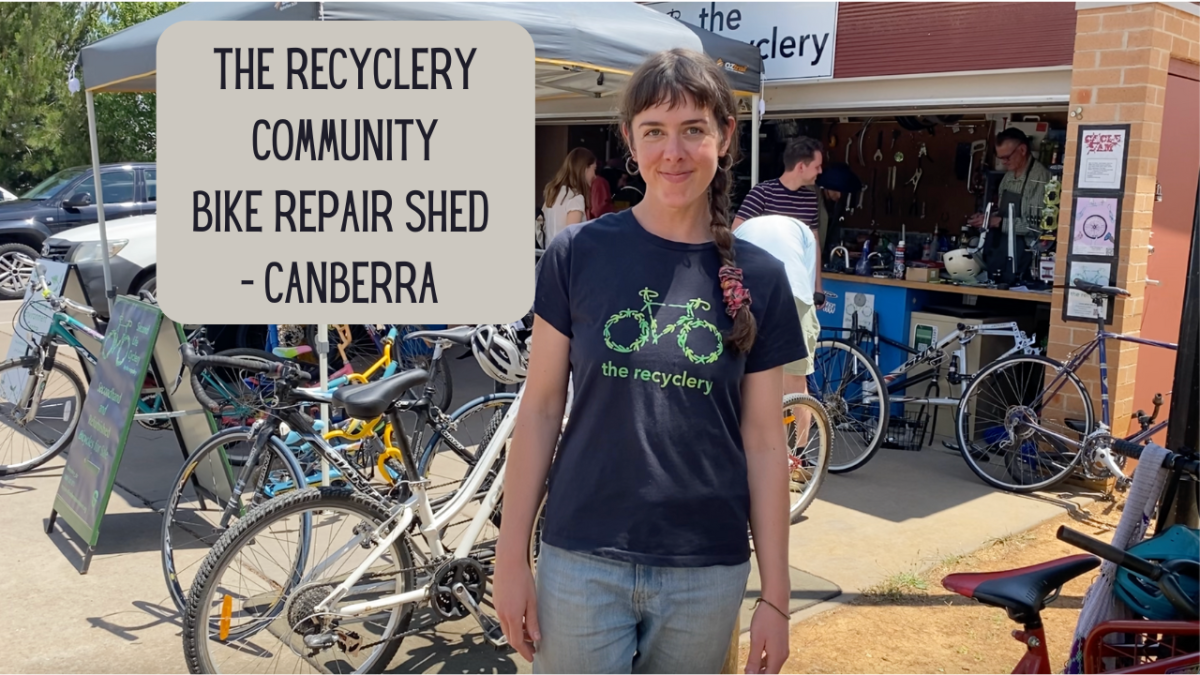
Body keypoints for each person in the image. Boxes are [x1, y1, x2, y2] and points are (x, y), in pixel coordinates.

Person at [494, 48, 803, 675]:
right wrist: (510, 557)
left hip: (706, 570)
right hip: (580, 558)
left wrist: (776, 595)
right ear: (630, 143)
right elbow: (541, 408)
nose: (674, 152)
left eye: (694, 129)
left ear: (724, 136)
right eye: (655, 131)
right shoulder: (576, 254)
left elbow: (767, 443)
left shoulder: (762, 279)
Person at [967, 127, 1052, 250]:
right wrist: (986, 218)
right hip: (1005, 246)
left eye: (1007, 157)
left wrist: (997, 222)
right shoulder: (1008, 176)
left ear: (1022, 150)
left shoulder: (1040, 178)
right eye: (1000, 158)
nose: (1003, 163)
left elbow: (1036, 227)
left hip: (1028, 251)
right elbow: (1004, 213)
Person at [542, 147, 596, 242]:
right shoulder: (576, 198)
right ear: (585, 169)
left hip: (547, 254)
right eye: (594, 169)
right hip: (564, 256)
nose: (595, 176)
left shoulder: (553, 193)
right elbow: (570, 239)